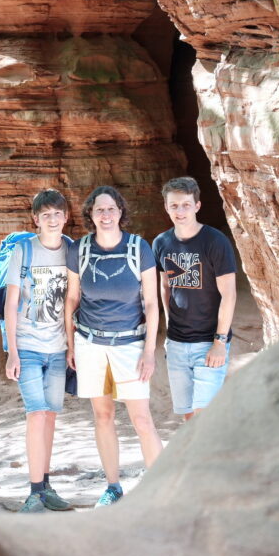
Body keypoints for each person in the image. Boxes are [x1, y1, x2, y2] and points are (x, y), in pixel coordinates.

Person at [65, 186, 162, 507]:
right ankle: (113, 486)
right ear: (90, 216)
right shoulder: (79, 250)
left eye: (111, 209)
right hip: (90, 343)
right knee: (103, 415)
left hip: (130, 344)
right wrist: (70, 345)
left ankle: (160, 487)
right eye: (99, 210)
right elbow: (72, 299)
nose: (106, 215)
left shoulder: (139, 248)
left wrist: (149, 351)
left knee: (142, 419)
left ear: (121, 212)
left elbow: (151, 302)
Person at [4, 189, 72, 514]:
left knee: (50, 417)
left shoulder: (71, 250)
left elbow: (75, 301)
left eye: (57, 213)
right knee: (35, 414)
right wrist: (12, 351)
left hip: (58, 348)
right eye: (46, 214)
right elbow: (11, 302)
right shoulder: (24, 250)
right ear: (36, 219)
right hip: (28, 346)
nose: (52, 219)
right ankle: (33, 493)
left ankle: (46, 486)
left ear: (66, 217)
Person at [152, 176, 237, 421]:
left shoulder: (215, 241)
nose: (180, 211)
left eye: (186, 205)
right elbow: (165, 286)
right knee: (189, 416)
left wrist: (220, 341)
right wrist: (168, 329)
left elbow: (229, 294)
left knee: (204, 416)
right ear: (166, 207)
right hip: (177, 343)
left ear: (197, 206)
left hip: (208, 343)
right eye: (174, 205)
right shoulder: (161, 242)